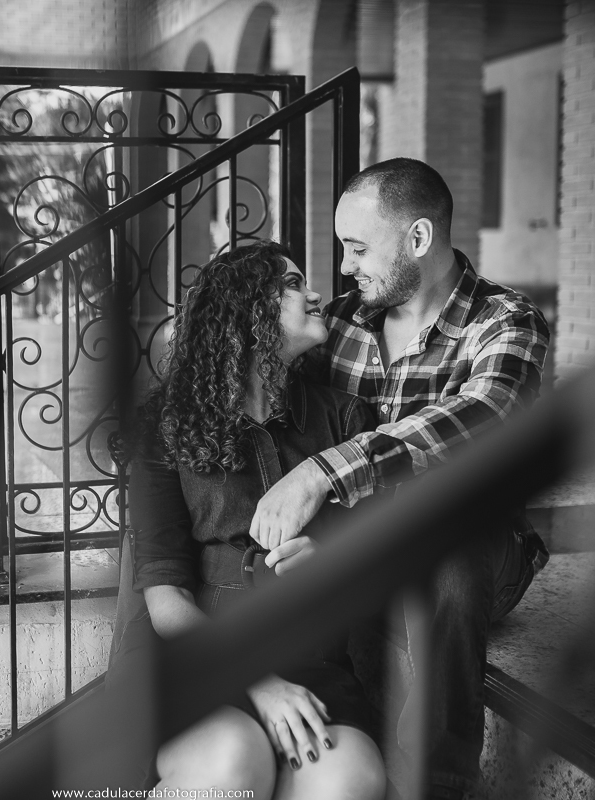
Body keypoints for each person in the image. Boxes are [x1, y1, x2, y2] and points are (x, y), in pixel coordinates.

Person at [243, 158, 551, 800]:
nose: (345, 266)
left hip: (477, 559)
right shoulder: (341, 326)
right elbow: (266, 398)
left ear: (417, 238)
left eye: (358, 248)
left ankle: (439, 783)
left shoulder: (504, 320)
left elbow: (487, 413)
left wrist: (325, 472)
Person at [117, 240, 388, 800]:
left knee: (349, 781)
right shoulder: (166, 425)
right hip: (197, 655)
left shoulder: (345, 418)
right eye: (291, 283)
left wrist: (331, 558)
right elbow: (166, 598)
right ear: (244, 309)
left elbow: (377, 556)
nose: (315, 292)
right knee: (234, 759)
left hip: (310, 658)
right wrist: (261, 687)